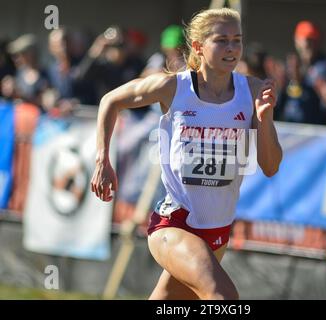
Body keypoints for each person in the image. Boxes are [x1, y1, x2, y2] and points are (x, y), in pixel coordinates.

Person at [90, 7, 282, 300]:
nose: (232, 48)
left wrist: (265, 119)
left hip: (217, 232)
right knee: (223, 298)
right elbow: (110, 101)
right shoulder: (173, 87)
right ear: (198, 47)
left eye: (237, 40)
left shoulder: (253, 91)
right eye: (221, 40)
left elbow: (270, 167)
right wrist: (103, 160)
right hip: (175, 225)